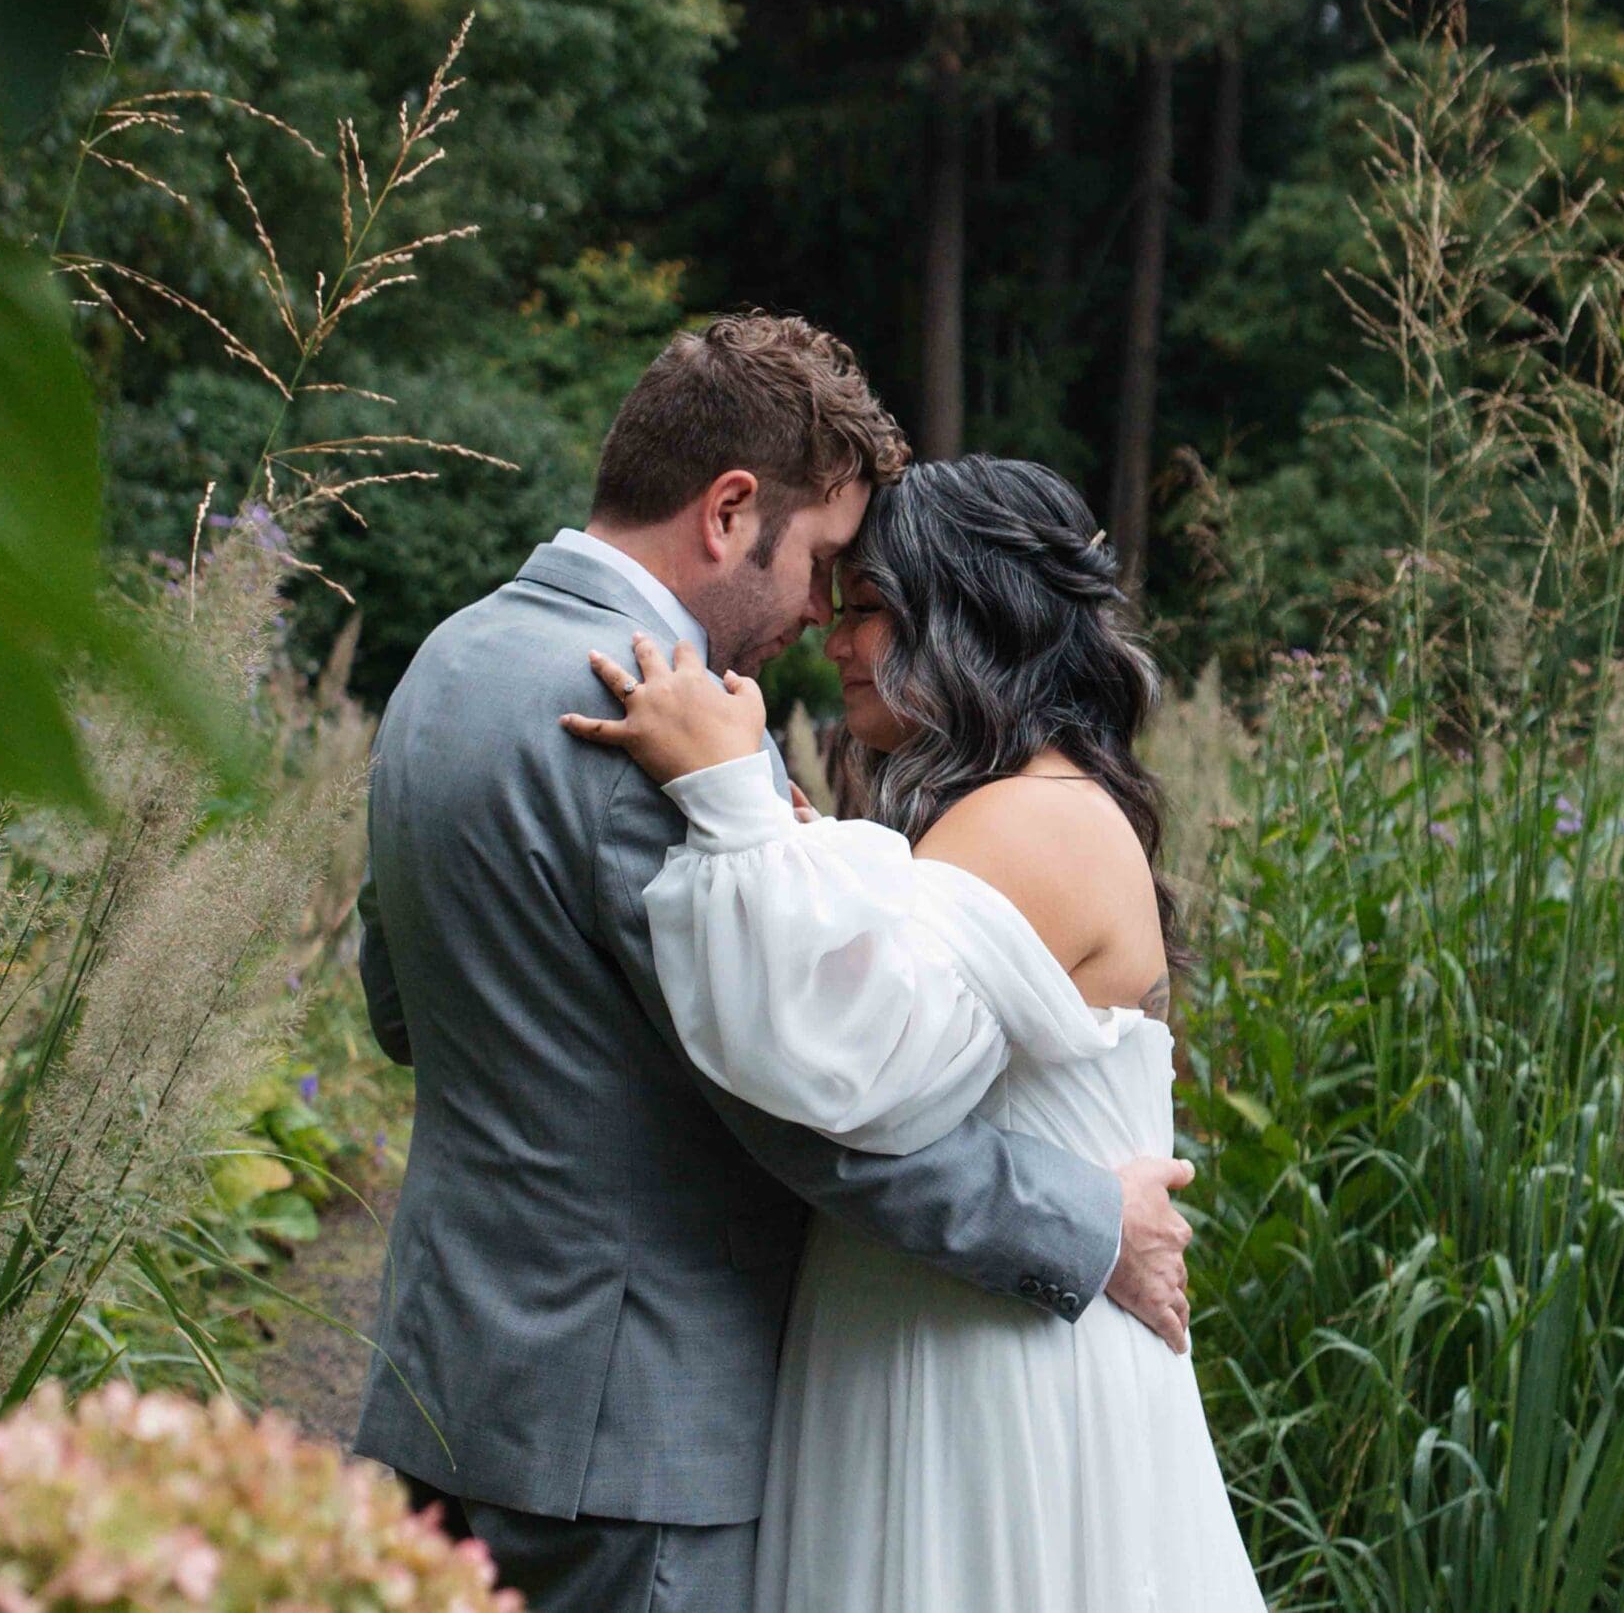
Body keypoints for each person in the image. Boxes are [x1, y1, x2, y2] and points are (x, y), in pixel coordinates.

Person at [352, 315, 1196, 1613]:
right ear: (729, 510)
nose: (818, 614)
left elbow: (401, 1006)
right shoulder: (650, 715)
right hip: (632, 1427)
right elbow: (810, 1106)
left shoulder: (449, 662)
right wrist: (1087, 1225)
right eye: (817, 567)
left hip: (445, 1376)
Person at [563, 452, 1266, 1611]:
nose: (835, 642)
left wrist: (733, 803)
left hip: (988, 1382)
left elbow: (848, 1068)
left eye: (868, 610)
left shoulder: (1033, 819)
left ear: (972, 616)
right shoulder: (1017, 809)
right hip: (947, 1334)